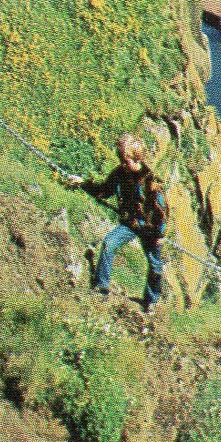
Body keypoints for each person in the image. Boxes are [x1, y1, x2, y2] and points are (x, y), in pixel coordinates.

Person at [76, 134, 167, 313]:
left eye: (126, 161)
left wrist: (160, 235)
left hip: (149, 229)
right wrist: (83, 184)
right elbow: (104, 190)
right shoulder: (119, 173)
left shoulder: (150, 181)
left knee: (155, 265)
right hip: (130, 224)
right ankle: (101, 286)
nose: (123, 165)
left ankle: (151, 300)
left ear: (137, 158)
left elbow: (162, 213)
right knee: (109, 243)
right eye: (121, 161)